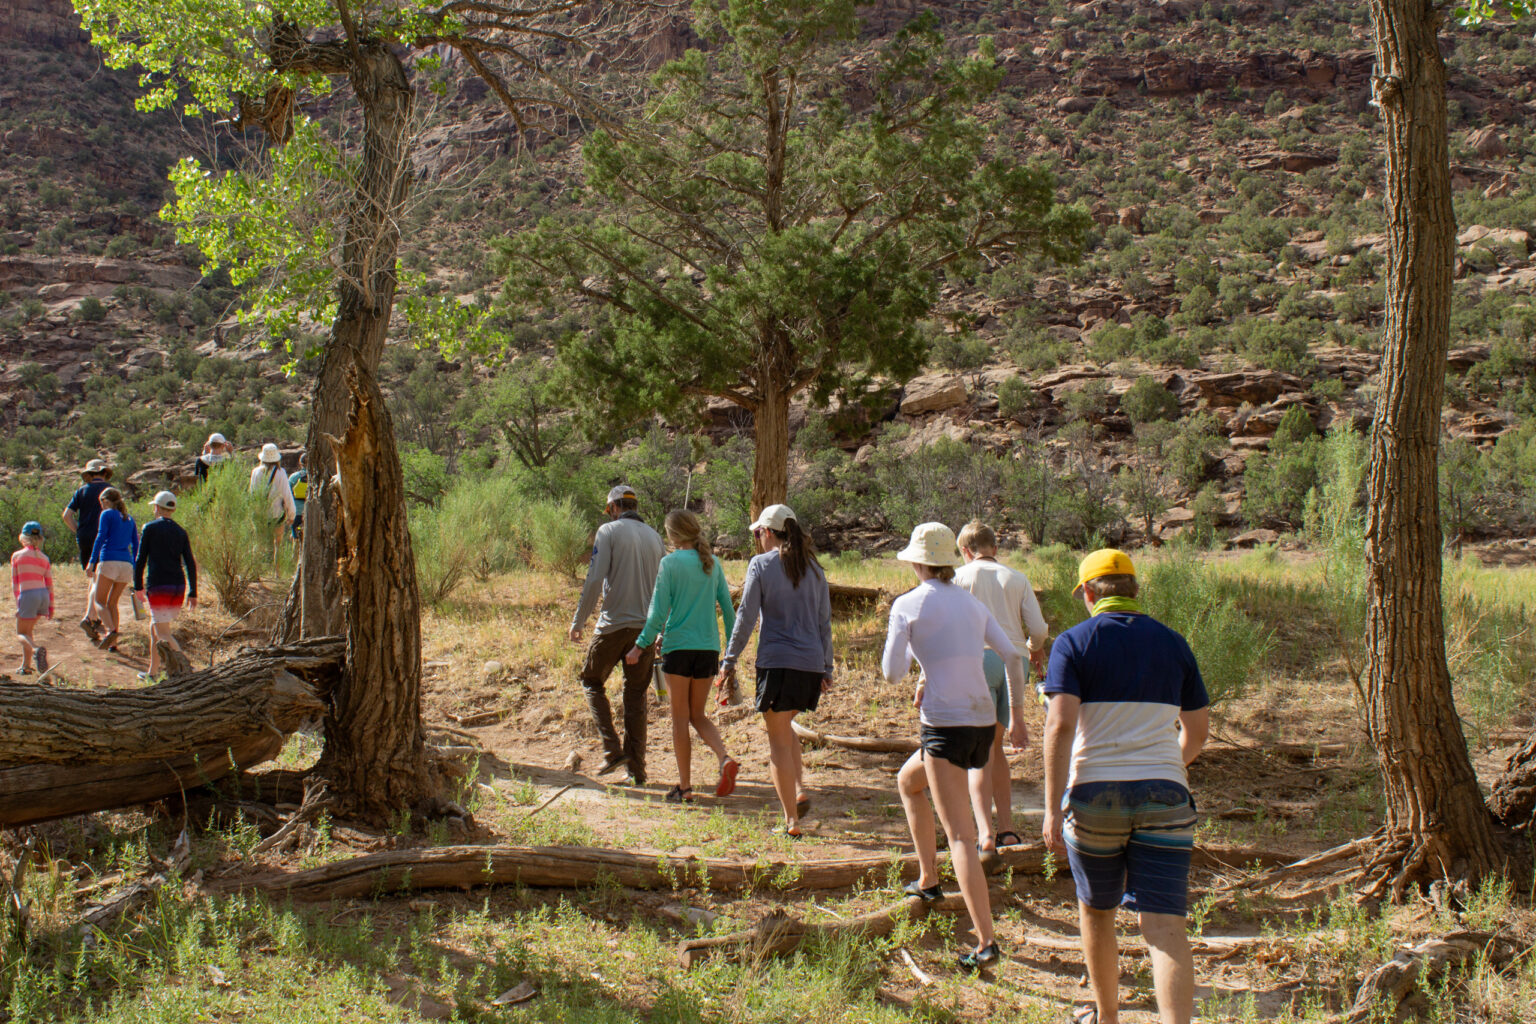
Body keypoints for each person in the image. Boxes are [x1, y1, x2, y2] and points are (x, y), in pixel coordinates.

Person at [1041, 549, 1209, 1024]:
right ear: (1135, 591)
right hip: (1166, 796)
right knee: (1165, 926)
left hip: (1096, 794)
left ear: (1089, 593)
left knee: (1097, 911)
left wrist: (1054, 808)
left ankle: (1108, 1017)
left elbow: (1059, 727)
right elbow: (1196, 732)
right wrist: (1163, 768)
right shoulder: (1174, 644)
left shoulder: (1073, 643)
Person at [883, 522, 1028, 971]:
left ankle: (986, 942)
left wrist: (914, 654)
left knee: (962, 836)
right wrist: (1018, 715)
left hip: (945, 727)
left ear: (917, 562)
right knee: (908, 782)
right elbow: (1012, 654)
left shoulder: (907, 605)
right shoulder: (971, 603)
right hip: (982, 724)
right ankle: (928, 877)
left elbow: (891, 672)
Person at [719, 504, 832, 838]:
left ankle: (791, 823)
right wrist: (827, 667)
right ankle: (797, 789)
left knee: (778, 744)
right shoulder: (815, 569)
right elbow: (824, 623)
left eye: (757, 533)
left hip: (777, 664)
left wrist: (729, 660)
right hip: (810, 666)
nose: (757, 539)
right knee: (786, 728)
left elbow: (746, 617)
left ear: (767, 532)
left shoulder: (761, 565)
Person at [624, 510, 739, 804]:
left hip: (678, 650)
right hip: (708, 651)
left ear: (674, 536)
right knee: (698, 714)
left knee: (679, 720)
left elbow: (657, 612)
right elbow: (728, 609)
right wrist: (730, 651)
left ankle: (685, 788)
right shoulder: (712, 564)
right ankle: (724, 758)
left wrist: (640, 645)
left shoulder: (670, 564)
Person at [954, 520, 1048, 855]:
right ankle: (1007, 827)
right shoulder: (1017, 578)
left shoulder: (958, 578)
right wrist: (1033, 646)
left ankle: (984, 833)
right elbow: (1037, 628)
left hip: (976, 659)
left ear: (966, 551)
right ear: (995, 548)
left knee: (980, 750)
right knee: (996, 748)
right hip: (1014, 662)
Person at [569, 485, 666, 784]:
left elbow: (595, 578)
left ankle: (612, 750)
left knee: (591, 680)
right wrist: (662, 628)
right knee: (635, 695)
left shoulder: (608, 532)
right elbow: (665, 586)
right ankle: (636, 769)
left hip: (613, 626)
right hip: (645, 630)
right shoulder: (655, 536)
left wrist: (579, 620)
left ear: (613, 507)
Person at [133, 491, 198, 681]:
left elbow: (140, 559)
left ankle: (187, 671)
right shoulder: (181, 531)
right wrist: (193, 591)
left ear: (158, 508)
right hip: (178, 587)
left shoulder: (150, 528)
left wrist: (137, 585)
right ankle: (152, 673)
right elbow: (189, 563)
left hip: (159, 586)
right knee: (155, 629)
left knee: (163, 633)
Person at [61, 458, 113, 637]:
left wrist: (78, 531)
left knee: (93, 577)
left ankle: (93, 617)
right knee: (98, 578)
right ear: (105, 473)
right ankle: (89, 617)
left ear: (90, 474)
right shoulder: (110, 492)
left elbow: (67, 515)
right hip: (104, 538)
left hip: (84, 538)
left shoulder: (81, 491)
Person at [85, 487, 139, 653]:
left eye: (101, 501)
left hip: (109, 560)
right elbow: (136, 544)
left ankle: (110, 631)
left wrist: (92, 562)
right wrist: (135, 567)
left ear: (106, 501)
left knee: (99, 601)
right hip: (126, 564)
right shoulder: (129, 519)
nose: (100, 505)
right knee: (112, 603)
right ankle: (113, 644)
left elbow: (100, 537)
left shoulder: (107, 514)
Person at [11, 522, 54, 675]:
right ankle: (26, 666)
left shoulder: (17, 556)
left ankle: (36, 650)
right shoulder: (44, 558)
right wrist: (51, 607)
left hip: (28, 595)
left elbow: (15, 584)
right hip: (43, 595)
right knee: (28, 631)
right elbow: (49, 584)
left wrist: (18, 604)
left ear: (23, 537)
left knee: (20, 634)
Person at [249, 443, 296, 559]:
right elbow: (287, 495)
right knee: (278, 544)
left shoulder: (255, 472)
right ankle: (277, 572)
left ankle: (256, 570)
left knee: (258, 543)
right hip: (276, 514)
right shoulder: (281, 473)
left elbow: (252, 493)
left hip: (260, 513)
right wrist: (291, 515)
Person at [288, 452, 309, 542]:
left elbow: (288, 492)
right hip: (310, 511)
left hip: (296, 511)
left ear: (300, 463)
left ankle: (294, 554)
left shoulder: (294, 476)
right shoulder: (316, 476)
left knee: (295, 535)